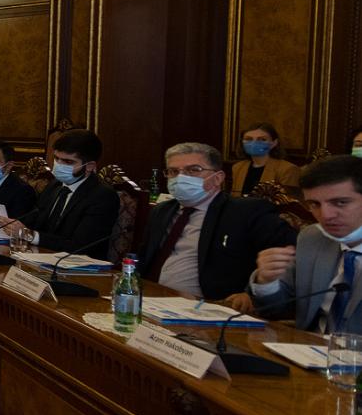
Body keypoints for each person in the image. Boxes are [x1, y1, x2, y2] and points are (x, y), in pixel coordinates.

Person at [136, 142, 295, 301]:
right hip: (150, 296)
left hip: (207, 305)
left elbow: (286, 259)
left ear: (218, 178)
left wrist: (251, 293)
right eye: (173, 171)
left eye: (193, 170)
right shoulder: (162, 210)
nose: (181, 177)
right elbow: (144, 259)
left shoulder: (247, 212)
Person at [245, 154, 362, 333]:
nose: (326, 215)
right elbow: (276, 309)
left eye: (340, 203)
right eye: (314, 204)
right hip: (306, 351)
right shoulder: (313, 237)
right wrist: (267, 281)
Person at [2, 128, 120, 258]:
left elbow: (80, 246)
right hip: (42, 257)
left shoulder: (102, 196)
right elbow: (34, 221)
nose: (59, 165)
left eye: (68, 162)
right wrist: (12, 226)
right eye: (57, 159)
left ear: (90, 166)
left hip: (79, 268)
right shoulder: (55, 185)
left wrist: (29, 235)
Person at [230, 122, 301, 197]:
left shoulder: (287, 170)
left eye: (262, 139)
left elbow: (287, 203)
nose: (254, 143)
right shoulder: (238, 167)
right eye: (248, 139)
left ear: (274, 143)